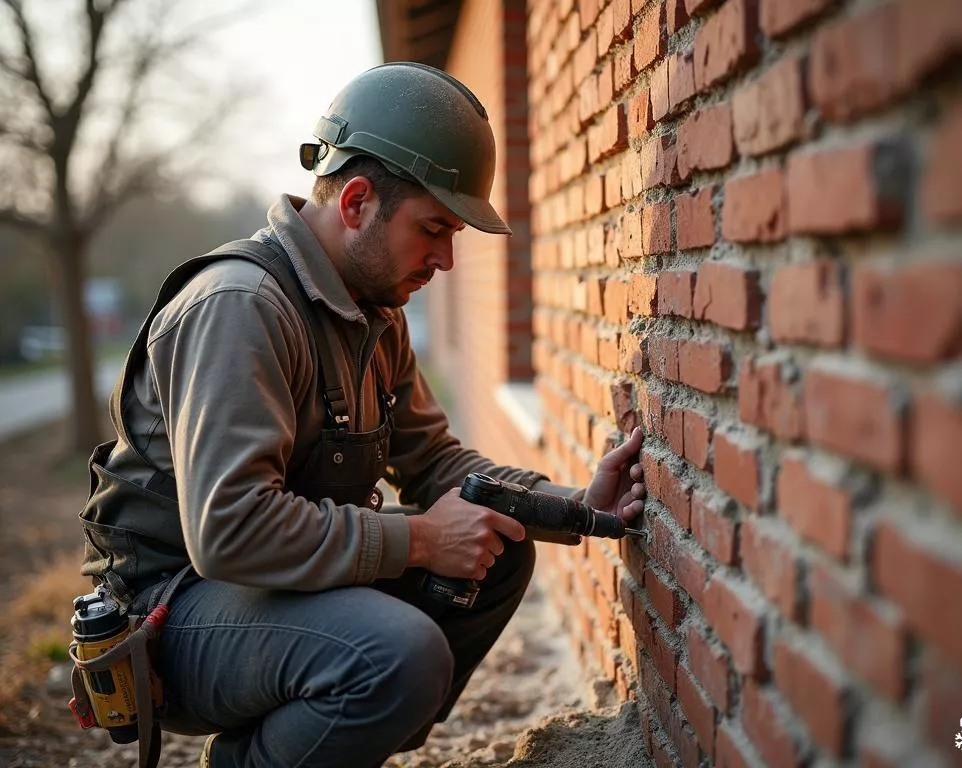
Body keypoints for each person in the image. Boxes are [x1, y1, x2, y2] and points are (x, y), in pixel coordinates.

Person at [78, 62, 646, 768]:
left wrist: (575, 506)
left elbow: (437, 465)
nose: (444, 259)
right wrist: (419, 541)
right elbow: (229, 531)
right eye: (433, 229)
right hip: (177, 612)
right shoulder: (241, 306)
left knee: (498, 548)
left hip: (264, 590)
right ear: (355, 202)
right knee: (398, 656)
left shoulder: (373, 314)